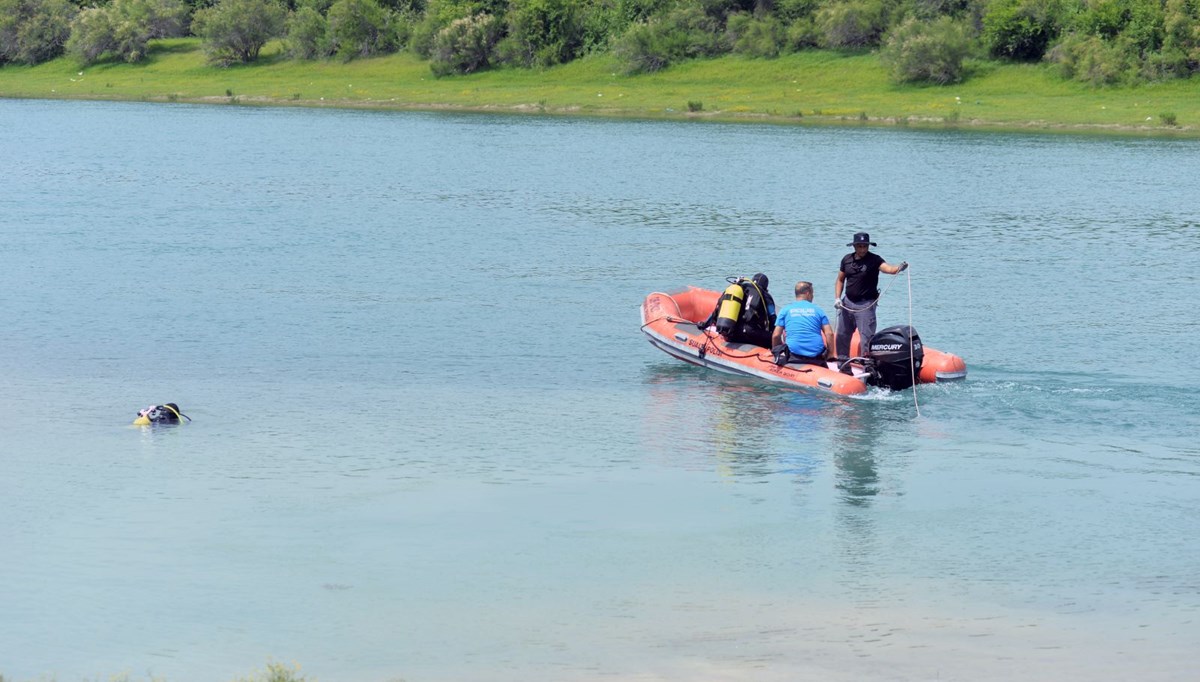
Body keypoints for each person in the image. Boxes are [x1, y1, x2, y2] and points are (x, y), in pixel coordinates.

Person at [833, 232, 907, 364]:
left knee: (866, 336)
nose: (862, 249)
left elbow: (889, 269)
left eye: (865, 246)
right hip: (847, 303)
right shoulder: (846, 260)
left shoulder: (874, 260)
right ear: (854, 246)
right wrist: (837, 298)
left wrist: (899, 268)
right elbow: (840, 280)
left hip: (865, 305)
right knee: (842, 335)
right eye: (859, 246)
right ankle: (842, 362)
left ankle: (866, 363)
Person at [700, 273, 776, 347]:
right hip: (750, 333)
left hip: (733, 333)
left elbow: (718, 309)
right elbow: (773, 319)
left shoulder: (741, 288)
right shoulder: (766, 296)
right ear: (765, 287)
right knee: (773, 338)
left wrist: (705, 325)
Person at [771, 281, 835, 367]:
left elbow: (776, 335)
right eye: (812, 293)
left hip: (794, 355)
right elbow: (829, 334)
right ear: (807, 293)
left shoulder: (785, 310)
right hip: (816, 356)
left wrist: (777, 352)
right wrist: (830, 355)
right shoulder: (818, 310)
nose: (813, 296)